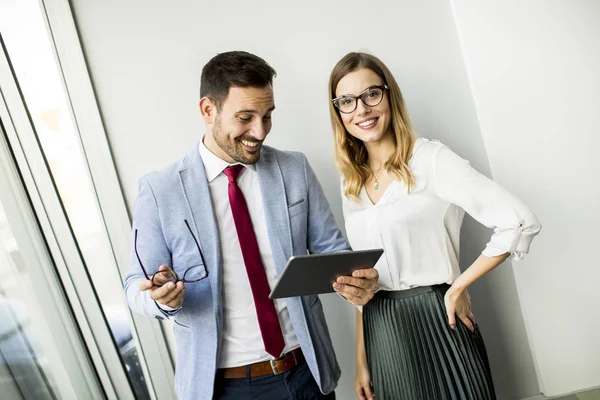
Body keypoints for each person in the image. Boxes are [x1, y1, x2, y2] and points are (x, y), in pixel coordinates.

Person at [124, 51, 379, 400]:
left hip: (307, 374)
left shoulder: (294, 169)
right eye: (245, 117)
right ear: (207, 110)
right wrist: (161, 299)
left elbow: (333, 252)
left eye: (267, 116)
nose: (259, 131)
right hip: (226, 388)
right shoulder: (160, 190)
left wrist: (358, 280)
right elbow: (134, 289)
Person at [328, 52, 542, 400]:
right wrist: (361, 361)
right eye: (347, 101)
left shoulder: (430, 158)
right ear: (338, 112)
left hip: (438, 318)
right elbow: (362, 280)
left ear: (389, 95)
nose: (361, 110)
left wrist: (457, 287)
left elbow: (519, 221)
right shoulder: (350, 181)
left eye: (371, 94)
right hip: (382, 331)